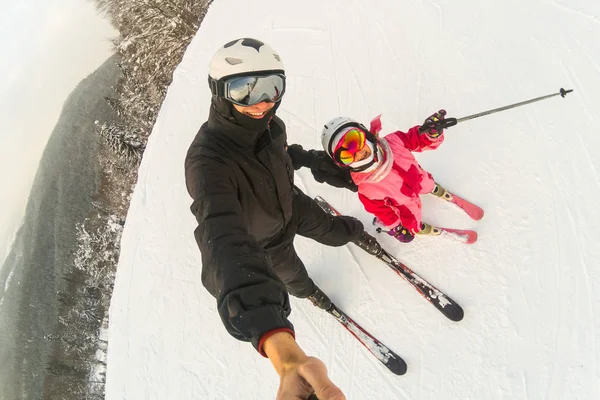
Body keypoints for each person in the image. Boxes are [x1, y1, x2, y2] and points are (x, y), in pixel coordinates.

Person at [184, 38, 374, 400]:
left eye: (273, 86)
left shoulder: (272, 126)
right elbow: (220, 235)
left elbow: (287, 154)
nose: (262, 102)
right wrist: (277, 342)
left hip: (293, 206)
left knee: (335, 233)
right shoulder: (207, 162)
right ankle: (312, 294)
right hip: (265, 245)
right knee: (295, 279)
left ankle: (357, 233)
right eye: (243, 90)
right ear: (218, 92)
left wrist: (321, 163)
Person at [320, 111, 450, 243]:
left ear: (364, 132)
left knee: (427, 183)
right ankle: (416, 228)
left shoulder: (394, 142)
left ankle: (432, 188)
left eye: (354, 140)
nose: (358, 152)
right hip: (405, 205)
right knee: (412, 218)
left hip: (419, 178)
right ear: (342, 164)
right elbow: (383, 212)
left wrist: (430, 133)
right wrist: (396, 227)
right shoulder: (367, 189)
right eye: (346, 155)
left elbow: (416, 139)